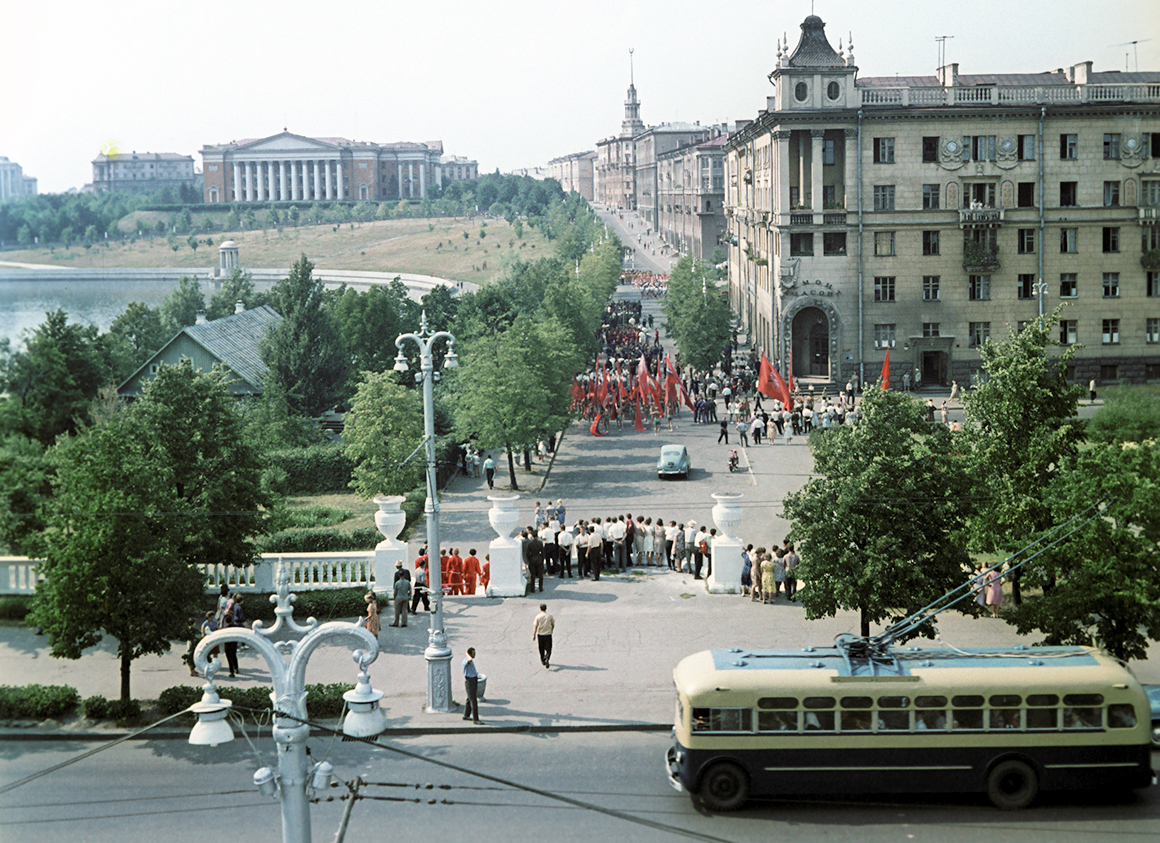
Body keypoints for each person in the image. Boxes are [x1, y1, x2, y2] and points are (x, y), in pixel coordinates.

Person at [462, 647, 482, 724]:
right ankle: (476, 719)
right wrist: (467, 654)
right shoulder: (466, 661)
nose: (475, 654)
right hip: (470, 682)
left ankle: (466, 715)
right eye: (474, 653)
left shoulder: (470, 661)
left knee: (469, 699)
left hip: (473, 680)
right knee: (473, 701)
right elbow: (469, 660)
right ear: (469, 654)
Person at [533, 603, 555, 669]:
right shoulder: (549, 616)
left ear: (540, 609)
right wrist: (552, 630)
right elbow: (553, 624)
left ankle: (543, 660)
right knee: (549, 648)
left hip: (540, 635)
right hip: (548, 634)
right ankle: (547, 658)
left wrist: (534, 634)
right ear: (546, 608)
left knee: (541, 648)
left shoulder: (538, 616)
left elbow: (535, 626)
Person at [524, 526, 545, 592]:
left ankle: (532, 588)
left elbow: (527, 553)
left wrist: (529, 558)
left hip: (532, 558)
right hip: (539, 558)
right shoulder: (540, 543)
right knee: (540, 574)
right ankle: (540, 587)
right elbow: (543, 552)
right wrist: (542, 558)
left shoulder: (530, 543)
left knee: (533, 574)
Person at [390, 562, 412, 627]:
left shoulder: (397, 579)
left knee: (397, 611)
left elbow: (395, 590)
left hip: (398, 597)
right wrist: (408, 595)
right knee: (404, 610)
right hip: (405, 596)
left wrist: (394, 598)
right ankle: (404, 623)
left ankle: (396, 622)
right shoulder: (407, 573)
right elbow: (410, 589)